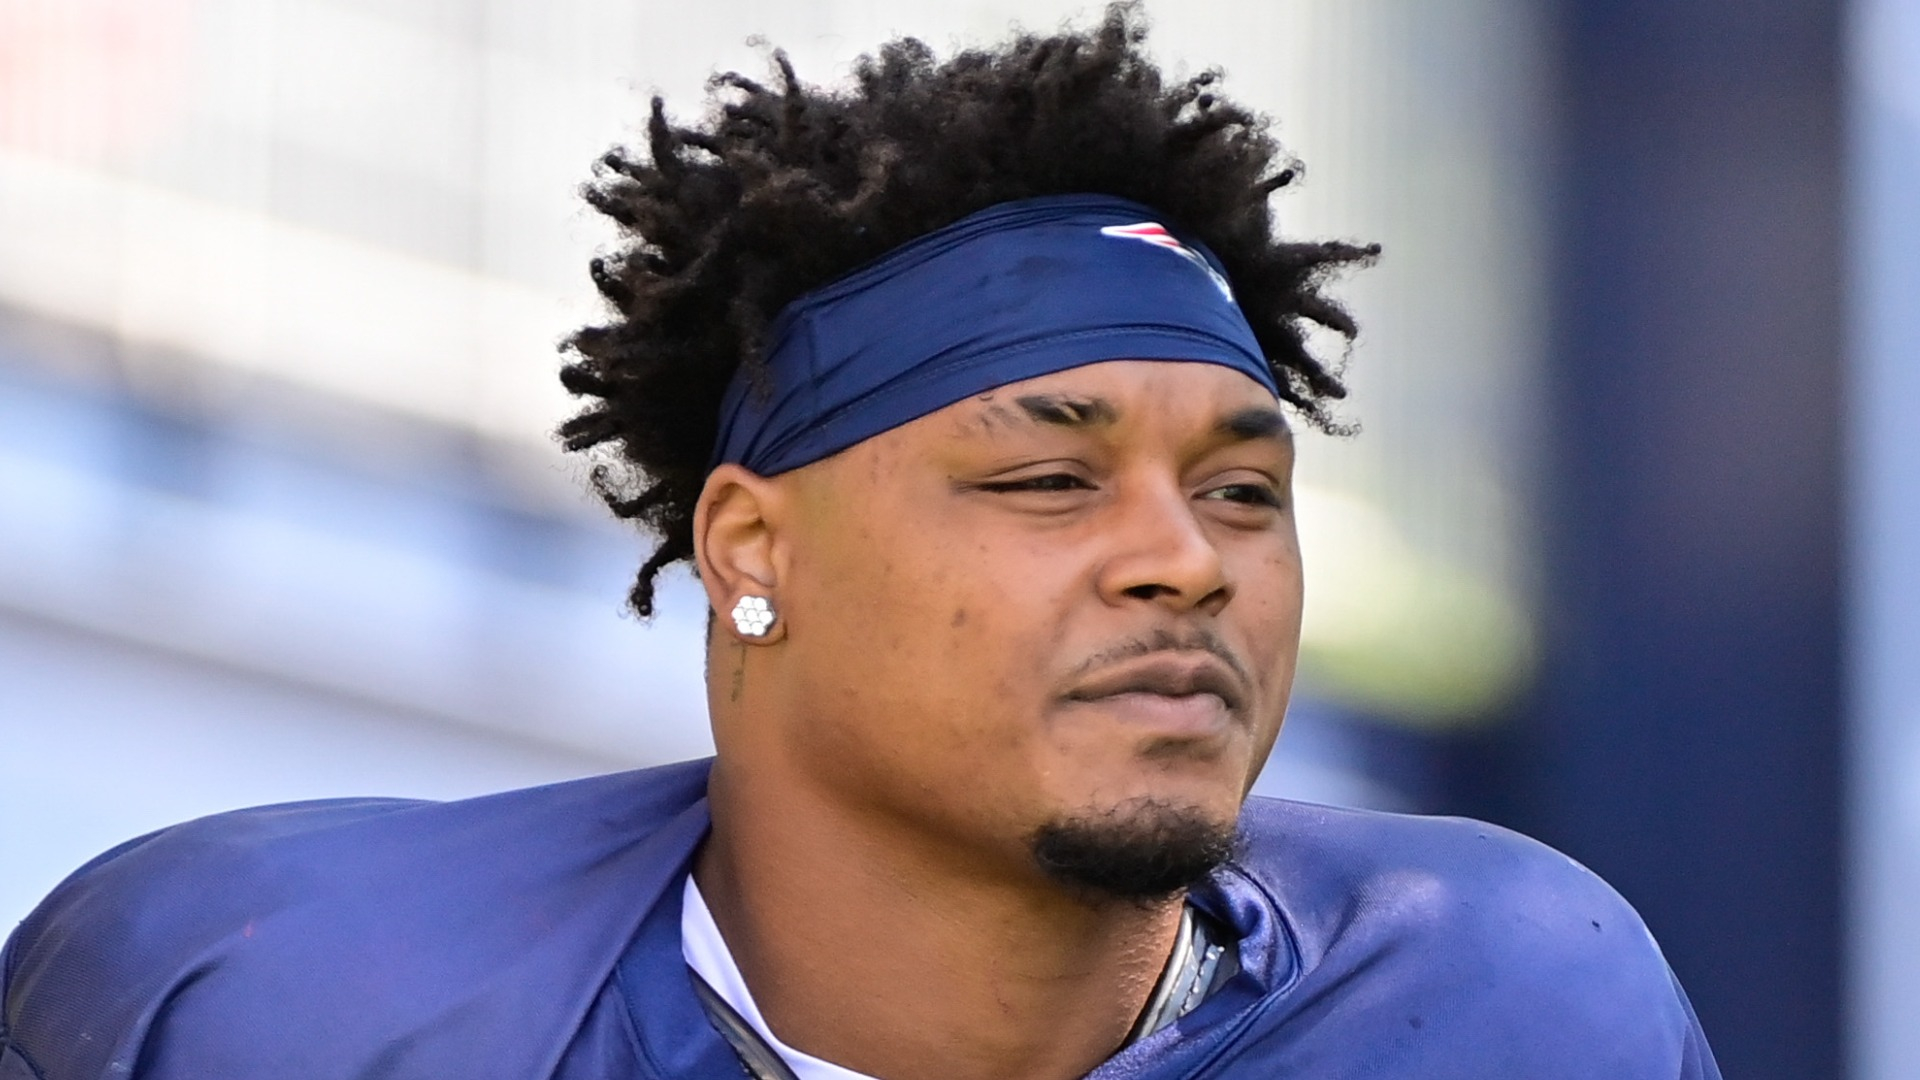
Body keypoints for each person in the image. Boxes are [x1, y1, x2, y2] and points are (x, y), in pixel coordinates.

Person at [0, 7, 1720, 1079]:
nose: (1184, 562)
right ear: (756, 549)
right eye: (1047, 482)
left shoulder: (1518, 1008)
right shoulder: (275, 1007)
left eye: (1243, 491)